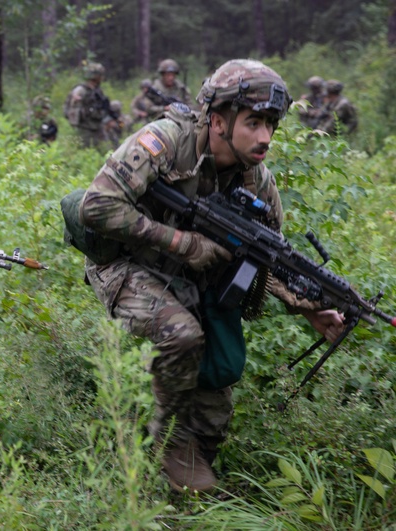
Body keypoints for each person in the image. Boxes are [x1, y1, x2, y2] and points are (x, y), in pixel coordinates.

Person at [78, 59, 345, 492]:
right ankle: (165, 440)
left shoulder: (257, 181)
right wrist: (183, 244)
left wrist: (308, 307)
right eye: (254, 122)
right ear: (218, 121)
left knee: (220, 372)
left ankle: (187, 480)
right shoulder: (164, 142)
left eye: (271, 124)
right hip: (126, 264)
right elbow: (97, 206)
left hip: (192, 276)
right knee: (183, 336)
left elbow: (265, 258)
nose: (265, 137)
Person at [64, 62, 119, 150]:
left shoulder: (97, 90)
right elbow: (72, 108)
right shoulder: (81, 90)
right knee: (82, 152)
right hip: (85, 129)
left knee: (107, 150)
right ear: (96, 76)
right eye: (100, 75)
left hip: (97, 126)